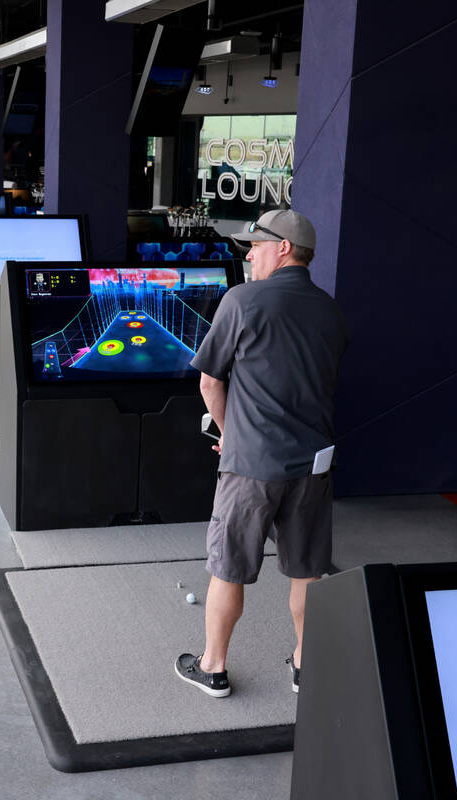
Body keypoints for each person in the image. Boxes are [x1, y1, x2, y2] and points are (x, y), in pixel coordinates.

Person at [174, 209, 348, 698]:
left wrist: (231, 433)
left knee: (228, 567)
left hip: (252, 464)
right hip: (314, 465)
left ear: (284, 248)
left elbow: (210, 382)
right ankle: (305, 666)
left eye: (255, 246)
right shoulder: (331, 311)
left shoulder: (242, 300)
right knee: (307, 570)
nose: (249, 256)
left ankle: (212, 667)